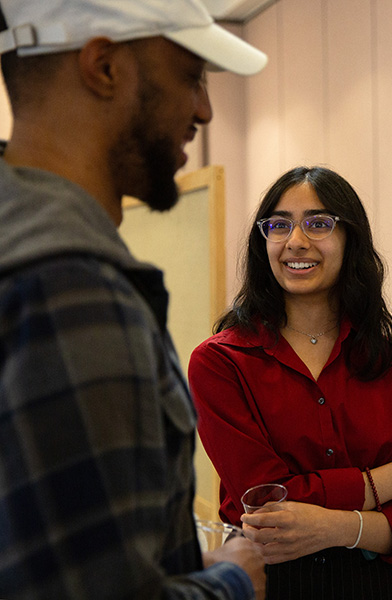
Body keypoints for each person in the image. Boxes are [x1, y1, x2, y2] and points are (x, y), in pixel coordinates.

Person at [0, 0, 269, 598]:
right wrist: (231, 581)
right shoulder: (71, 288)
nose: (203, 110)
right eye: (189, 76)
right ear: (103, 67)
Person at [188, 166, 392, 599]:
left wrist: (332, 526)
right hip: (270, 584)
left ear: (351, 239)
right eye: (279, 225)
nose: (296, 240)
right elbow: (266, 505)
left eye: (318, 223)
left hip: (377, 587)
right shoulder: (220, 363)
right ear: (263, 242)